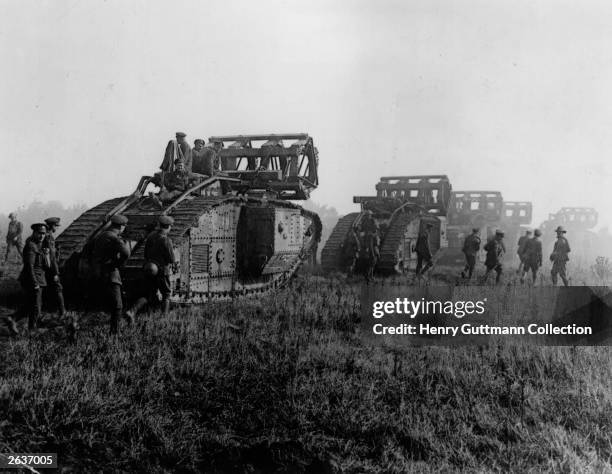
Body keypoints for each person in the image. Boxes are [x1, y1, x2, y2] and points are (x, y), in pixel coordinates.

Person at [125, 215, 176, 319]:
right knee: (166, 294)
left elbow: (146, 254)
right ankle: (164, 317)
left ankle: (132, 311)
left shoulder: (151, 236)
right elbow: (171, 259)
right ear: (168, 227)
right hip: (162, 271)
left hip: (150, 269)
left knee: (148, 293)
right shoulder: (166, 240)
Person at [91, 215, 131, 334]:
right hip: (111, 272)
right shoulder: (114, 238)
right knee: (118, 305)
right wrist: (118, 263)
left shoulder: (101, 236)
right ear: (121, 226)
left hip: (99, 271)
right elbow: (126, 253)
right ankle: (115, 333)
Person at [18, 223, 49, 330]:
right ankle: (32, 330)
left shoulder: (38, 245)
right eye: (39, 233)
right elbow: (29, 266)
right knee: (36, 307)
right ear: (34, 233)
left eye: (44, 234)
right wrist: (35, 283)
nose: (42, 236)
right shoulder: (31, 246)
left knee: (31, 305)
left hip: (37, 278)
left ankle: (12, 319)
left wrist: (46, 255)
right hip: (32, 279)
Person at [42, 217, 66, 316]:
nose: (57, 228)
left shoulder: (46, 235)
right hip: (50, 268)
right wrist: (56, 272)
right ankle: (62, 311)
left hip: (45, 267)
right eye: (56, 226)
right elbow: (51, 257)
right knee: (58, 288)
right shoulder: (49, 237)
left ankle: (46, 308)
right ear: (51, 226)